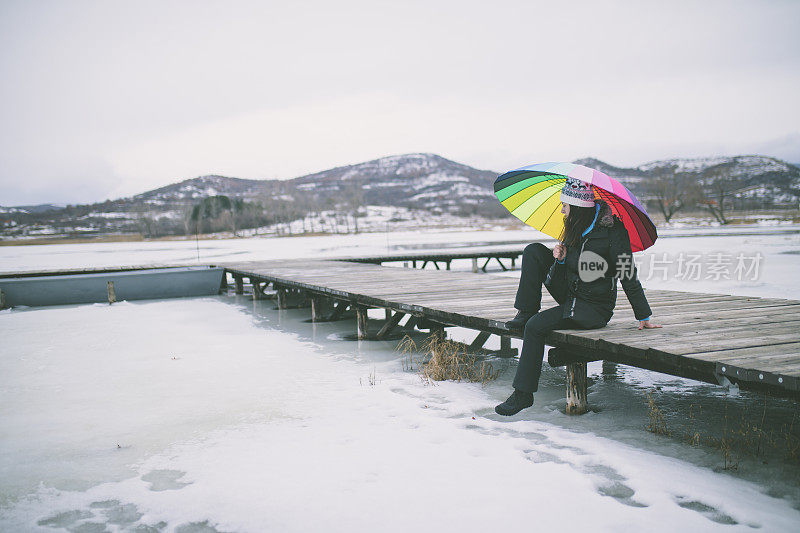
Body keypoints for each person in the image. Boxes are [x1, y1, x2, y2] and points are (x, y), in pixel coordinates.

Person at [495, 177, 662, 416]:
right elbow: (563, 273)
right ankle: (526, 311)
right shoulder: (573, 226)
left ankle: (523, 394)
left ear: (577, 206)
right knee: (533, 251)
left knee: (535, 327)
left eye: (565, 205)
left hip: (593, 308)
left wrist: (643, 314)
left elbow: (627, 273)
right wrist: (560, 259)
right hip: (571, 295)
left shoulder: (613, 232)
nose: (562, 209)